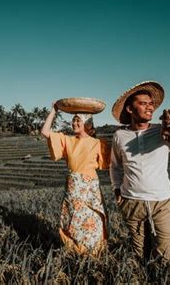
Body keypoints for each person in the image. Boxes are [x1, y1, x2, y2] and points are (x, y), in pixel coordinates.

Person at [109, 81, 170, 261]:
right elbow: (116, 166)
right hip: (131, 202)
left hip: (161, 202)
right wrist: (117, 189)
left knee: (165, 255)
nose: (150, 107)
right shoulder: (119, 136)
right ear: (130, 109)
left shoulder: (163, 132)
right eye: (143, 103)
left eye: (151, 104)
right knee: (139, 253)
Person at [41, 103, 110, 256]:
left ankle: (94, 253)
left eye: (78, 120)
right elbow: (45, 131)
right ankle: (74, 252)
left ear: (87, 123)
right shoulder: (68, 140)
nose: (74, 123)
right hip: (73, 189)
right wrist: (54, 110)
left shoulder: (98, 144)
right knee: (72, 220)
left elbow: (112, 164)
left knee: (93, 220)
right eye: (73, 120)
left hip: (90, 189)